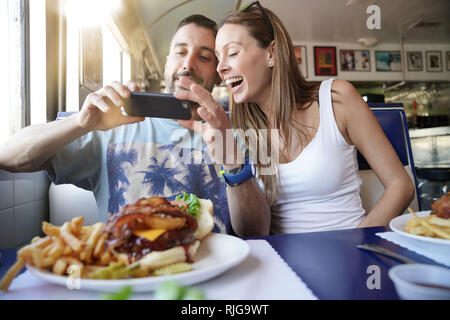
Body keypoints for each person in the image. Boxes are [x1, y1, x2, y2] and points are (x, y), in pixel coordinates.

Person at [174, 2, 415, 236]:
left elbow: (401, 186)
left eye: (233, 53)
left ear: (271, 53)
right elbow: (250, 232)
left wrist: (357, 243)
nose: (221, 68)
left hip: (351, 257)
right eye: (218, 57)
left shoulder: (336, 99)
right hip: (280, 265)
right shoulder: (237, 129)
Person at [0, 15, 234, 234]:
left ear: (217, 73)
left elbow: (258, 228)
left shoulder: (234, 133)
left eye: (204, 57)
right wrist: (80, 123)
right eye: (180, 52)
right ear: (166, 64)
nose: (188, 64)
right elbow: (9, 156)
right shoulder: (111, 127)